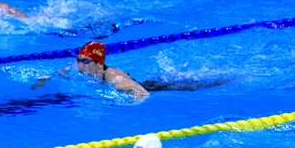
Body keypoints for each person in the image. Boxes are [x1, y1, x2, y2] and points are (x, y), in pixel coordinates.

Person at [32, 41, 229, 99]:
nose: (79, 64)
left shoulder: (114, 78)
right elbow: (59, 72)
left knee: (188, 86)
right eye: (78, 59)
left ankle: (222, 80)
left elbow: (143, 94)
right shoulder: (78, 67)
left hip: (154, 88)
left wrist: (128, 105)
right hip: (143, 81)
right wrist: (43, 81)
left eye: (85, 61)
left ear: (98, 63)